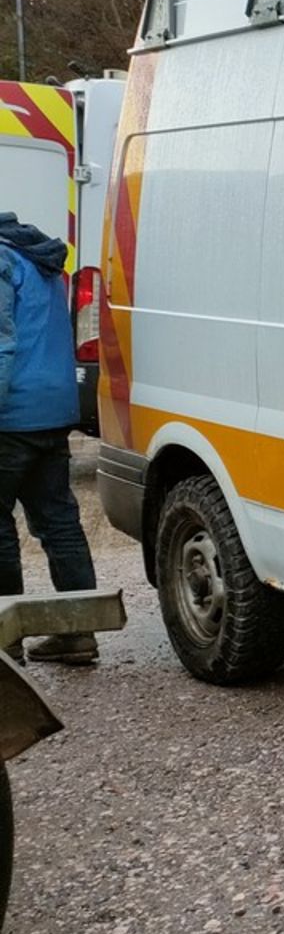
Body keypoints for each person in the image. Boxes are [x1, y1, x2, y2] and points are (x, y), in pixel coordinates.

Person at [0, 212, 97, 664]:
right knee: (58, 520)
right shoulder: (38, 258)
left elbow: (1, 342)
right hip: (53, 407)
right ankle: (77, 633)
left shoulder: (2, 260)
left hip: (12, 410)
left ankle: (4, 640)